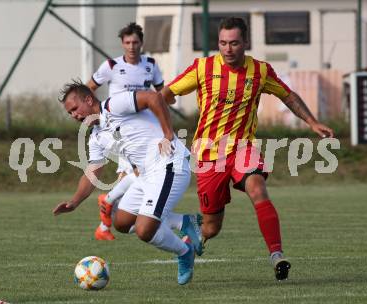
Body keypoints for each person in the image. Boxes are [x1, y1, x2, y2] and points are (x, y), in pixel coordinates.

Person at [161, 17, 334, 281]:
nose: (228, 49)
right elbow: (164, 95)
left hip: (243, 148)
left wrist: (312, 122)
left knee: (257, 187)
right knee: (211, 227)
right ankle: (187, 247)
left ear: (246, 43)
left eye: (234, 43)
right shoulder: (202, 68)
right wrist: (162, 131)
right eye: (222, 43)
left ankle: (277, 255)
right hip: (209, 156)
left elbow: (287, 95)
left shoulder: (260, 71)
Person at [52, 81, 201, 285]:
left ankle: (185, 252)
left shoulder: (115, 105)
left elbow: (154, 97)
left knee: (144, 230)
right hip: (146, 175)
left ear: (88, 99)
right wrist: (74, 202)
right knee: (121, 222)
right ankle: (183, 222)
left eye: (75, 109)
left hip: (169, 165)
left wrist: (168, 134)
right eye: (70, 113)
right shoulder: (96, 137)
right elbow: (92, 172)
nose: (74, 115)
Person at [86, 22, 165, 241]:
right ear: (122, 44)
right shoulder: (111, 66)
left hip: (145, 129)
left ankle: (104, 224)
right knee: (139, 172)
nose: (132, 46)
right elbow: (88, 88)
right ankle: (109, 206)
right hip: (121, 129)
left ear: (142, 43)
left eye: (135, 42)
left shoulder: (150, 65)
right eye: (128, 42)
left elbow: (161, 93)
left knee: (129, 174)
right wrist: (99, 113)